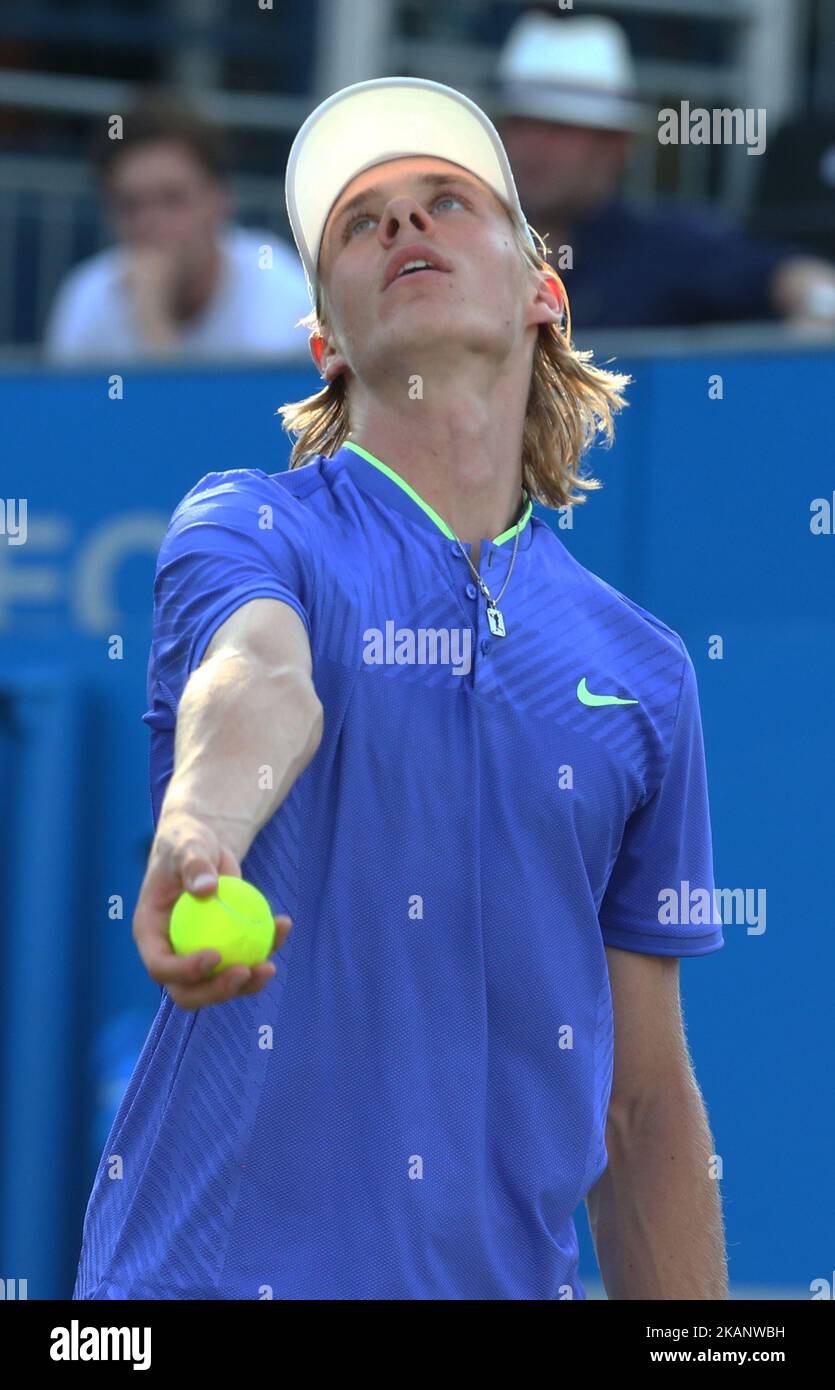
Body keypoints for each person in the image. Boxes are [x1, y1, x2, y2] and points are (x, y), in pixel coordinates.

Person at [72, 76, 728, 1301]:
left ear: (543, 290)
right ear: (327, 340)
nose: (401, 228)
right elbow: (259, 677)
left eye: (445, 202)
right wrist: (203, 824)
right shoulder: (248, 527)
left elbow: (639, 1106)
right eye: (360, 224)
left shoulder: (643, 672)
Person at [495, 12, 835, 330]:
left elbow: (778, 275)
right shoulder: (467, 243)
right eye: (520, 124)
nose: (532, 147)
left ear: (616, 147)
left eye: (559, 128)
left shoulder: (665, 249)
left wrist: (818, 303)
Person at [44, 96, 311, 361]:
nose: (150, 224)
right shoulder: (88, 296)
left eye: (173, 200)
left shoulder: (280, 294)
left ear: (220, 200)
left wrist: (154, 327)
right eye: (130, 205)